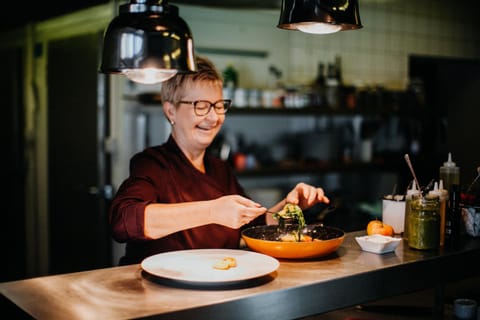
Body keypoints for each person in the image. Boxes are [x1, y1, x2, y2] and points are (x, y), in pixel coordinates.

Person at [109, 56, 330, 265]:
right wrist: (212, 211)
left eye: (218, 105)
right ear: (171, 111)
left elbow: (254, 224)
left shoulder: (219, 169)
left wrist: (289, 207)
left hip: (217, 291)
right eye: (201, 106)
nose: (214, 117)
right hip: (161, 295)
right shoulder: (152, 163)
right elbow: (123, 221)